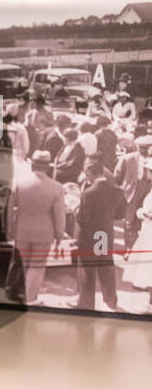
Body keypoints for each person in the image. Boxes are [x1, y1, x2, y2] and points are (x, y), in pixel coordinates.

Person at [8, 150, 67, 305]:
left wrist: (9, 229)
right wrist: (60, 235)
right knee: (37, 265)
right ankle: (31, 298)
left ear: (32, 165)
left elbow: (9, 209)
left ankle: (19, 293)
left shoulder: (19, 184)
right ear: (48, 167)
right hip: (44, 232)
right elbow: (59, 215)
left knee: (23, 263)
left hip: (22, 230)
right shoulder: (57, 188)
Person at [73, 157, 125, 311]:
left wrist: (77, 212)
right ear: (103, 171)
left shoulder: (88, 193)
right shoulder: (117, 190)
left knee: (87, 271)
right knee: (105, 266)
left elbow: (82, 219)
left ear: (89, 174)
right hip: (104, 233)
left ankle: (86, 304)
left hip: (89, 236)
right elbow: (120, 214)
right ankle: (111, 301)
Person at [123, 183, 152, 312]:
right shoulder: (150, 189)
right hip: (147, 232)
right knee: (147, 270)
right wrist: (141, 213)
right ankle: (150, 302)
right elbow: (143, 207)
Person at [116, 133, 148, 251]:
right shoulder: (128, 158)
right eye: (141, 147)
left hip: (148, 195)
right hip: (131, 193)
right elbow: (118, 176)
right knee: (129, 222)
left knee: (144, 223)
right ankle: (130, 248)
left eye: (146, 147)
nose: (143, 150)